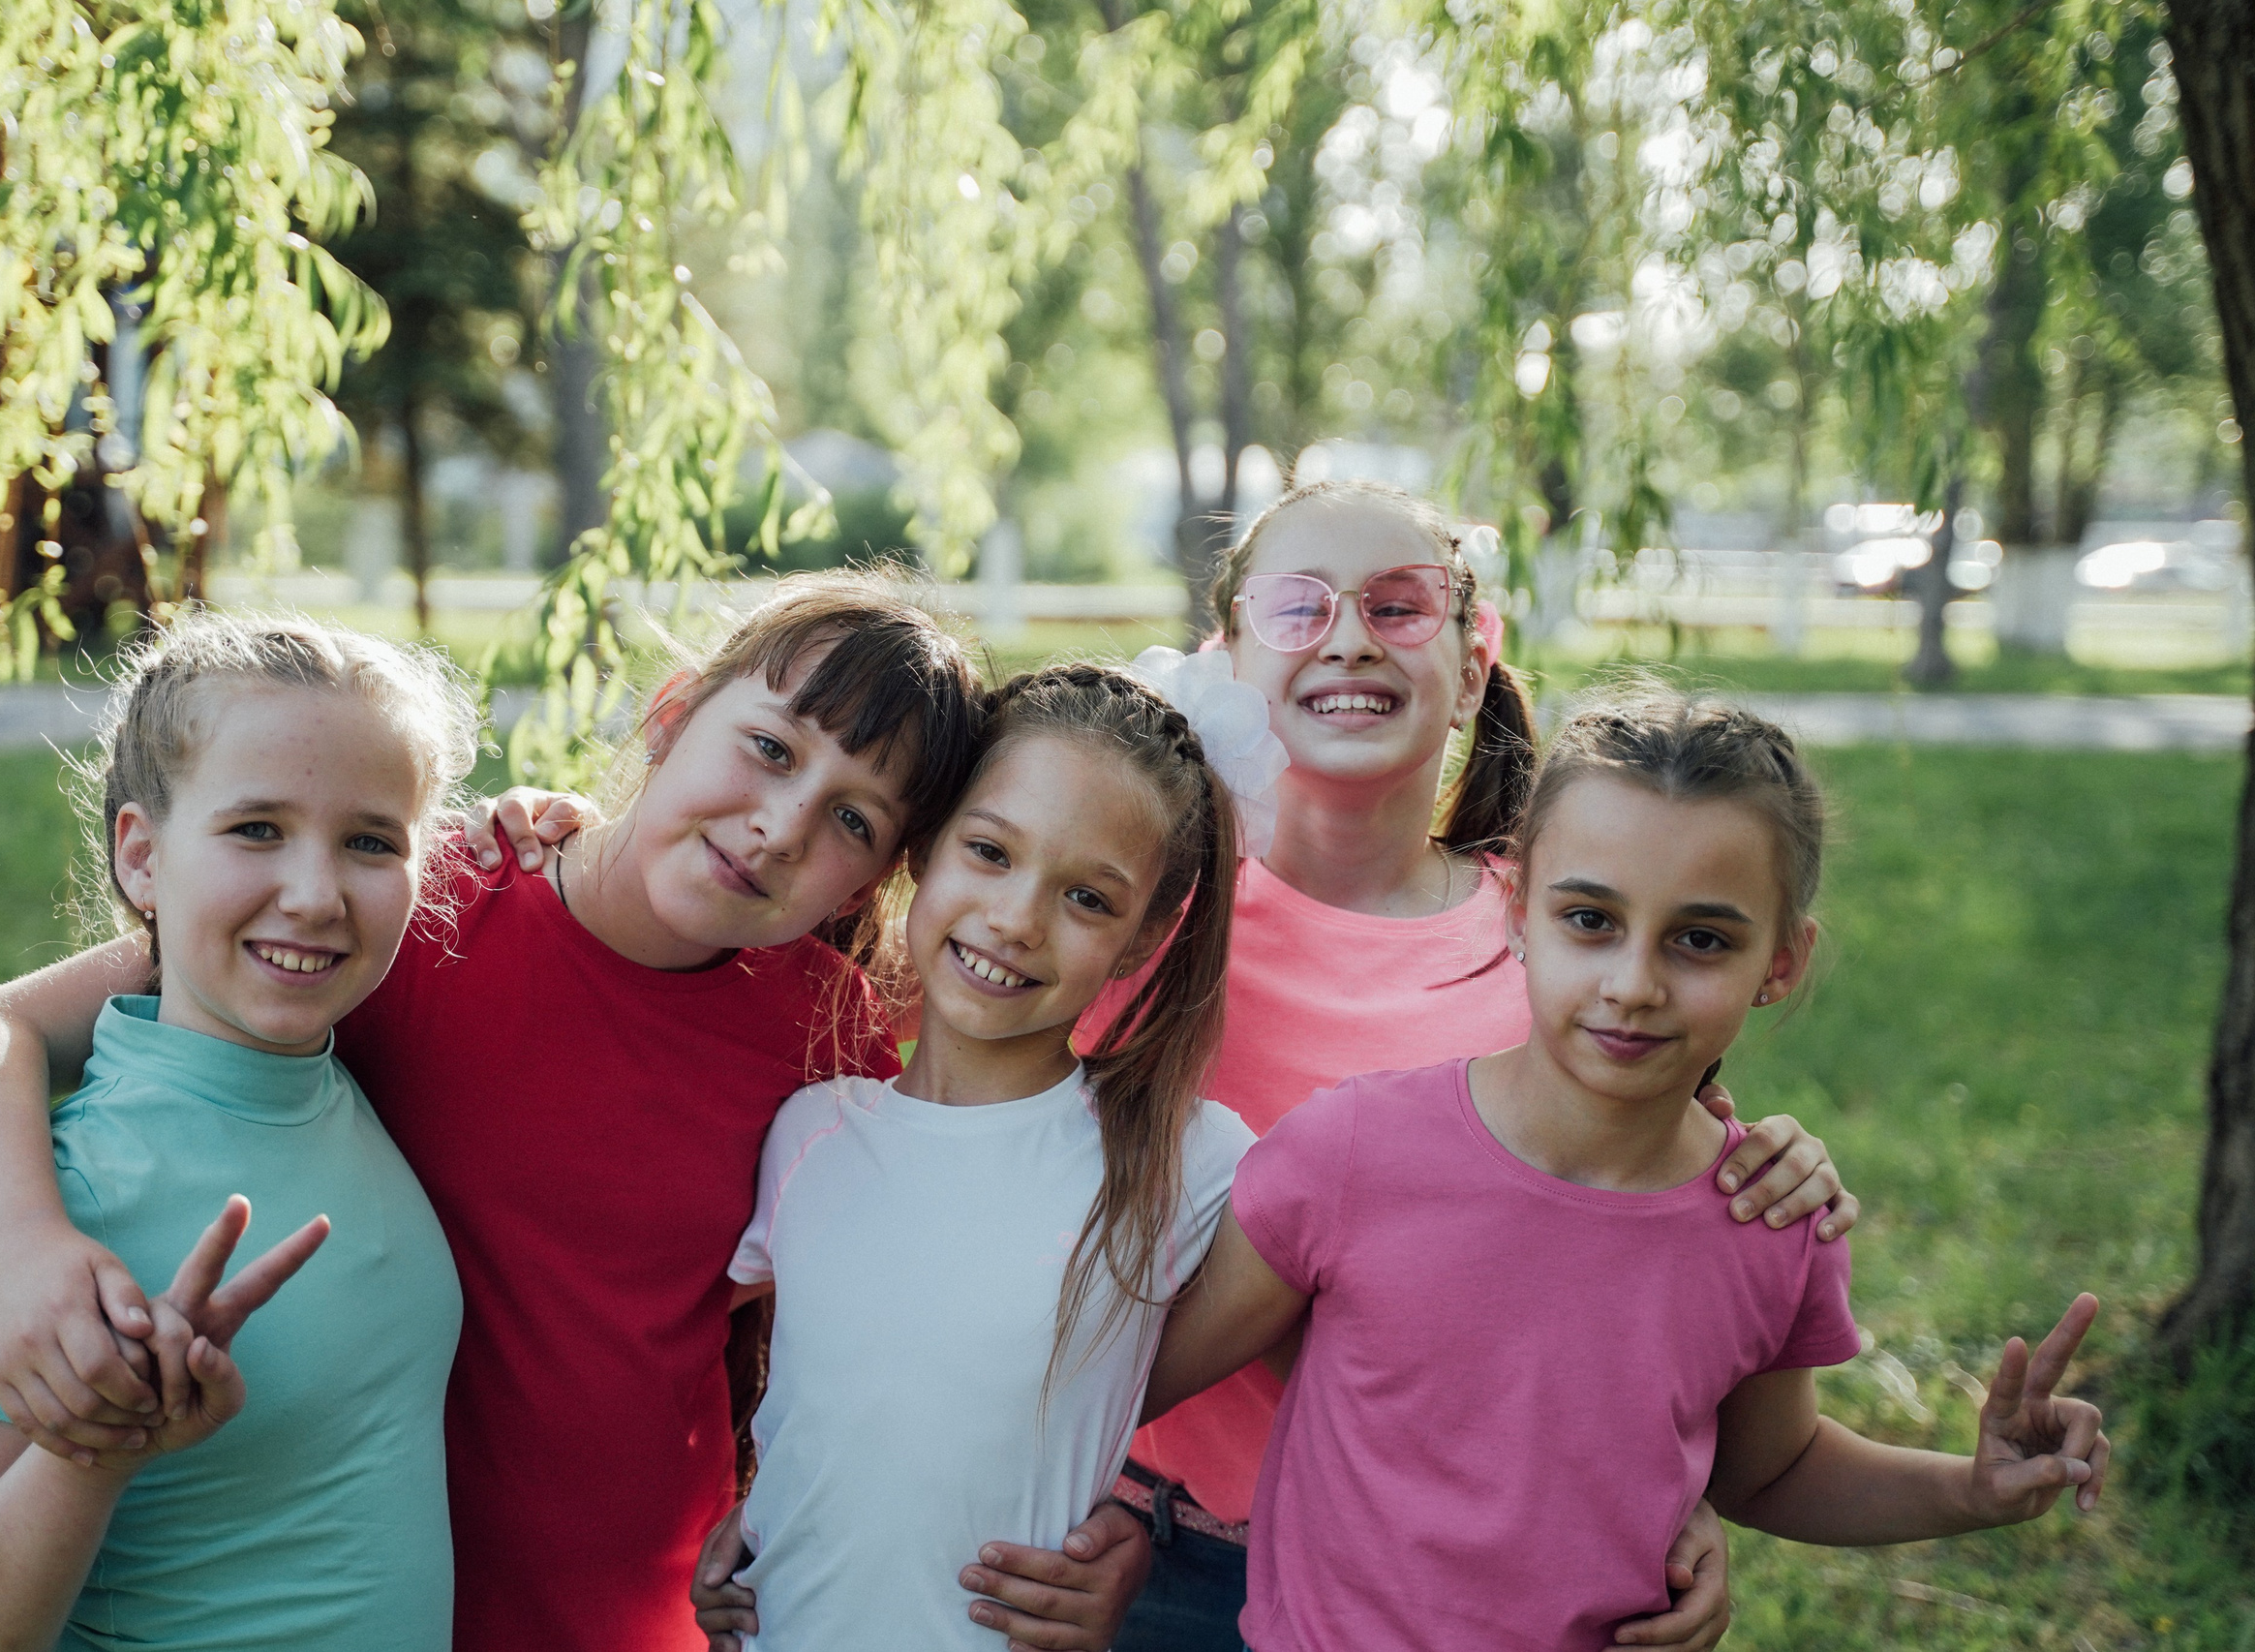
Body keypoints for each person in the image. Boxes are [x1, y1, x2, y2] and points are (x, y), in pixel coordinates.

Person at [0, 574, 1153, 1652]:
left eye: (852, 819)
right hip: (336, 1586)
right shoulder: (405, 905)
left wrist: (1122, 1508)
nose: (779, 826)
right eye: (769, 748)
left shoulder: (828, 1035)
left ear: (877, 874)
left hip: (633, 1611)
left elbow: (908, 1320)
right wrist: (17, 1256)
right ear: (672, 713)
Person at [1143, 688, 2112, 1651]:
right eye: (1590, 919)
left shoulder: (1767, 1219)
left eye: (1701, 940)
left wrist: (1970, 1488)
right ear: (1516, 911)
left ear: (1780, 963)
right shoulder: (1350, 1151)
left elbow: (1772, 1470)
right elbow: (1141, 1380)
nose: (1634, 984)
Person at [1083, 481, 1860, 1651]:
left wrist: (1663, 1494)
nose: (1349, 637)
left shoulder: (1568, 937)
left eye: (1399, 604)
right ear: (1225, 655)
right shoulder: (1132, 915)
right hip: (1149, 1552)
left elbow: (1627, 1278)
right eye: (1298, 606)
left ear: (1471, 658)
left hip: (1443, 1590)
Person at [0, 613, 477, 1651]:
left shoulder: (347, 1069)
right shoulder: (66, 1210)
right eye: (256, 828)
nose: (315, 895)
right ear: (141, 856)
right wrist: (97, 1447)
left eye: (370, 841)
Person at [693, 660, 1267, 1649]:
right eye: (990, 851)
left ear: (1141, 941)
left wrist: (1128, 1536)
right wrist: (746, 1506)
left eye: (1087, 898)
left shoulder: (1191, 1162)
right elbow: (768, 1384)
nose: (1015, 919)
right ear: (924, 846)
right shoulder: (808, 1132)